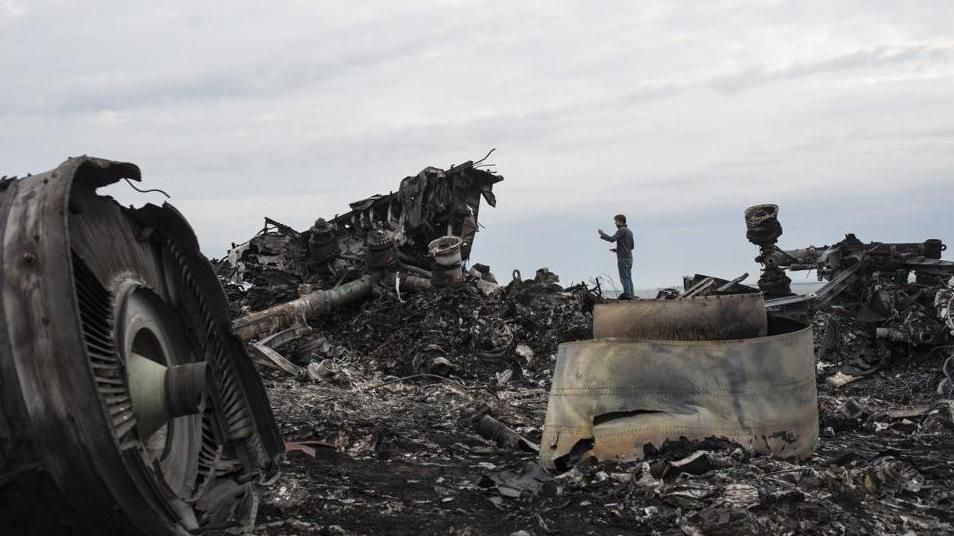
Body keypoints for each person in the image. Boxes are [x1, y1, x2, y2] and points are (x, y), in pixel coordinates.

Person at [599, 214, 635, 299]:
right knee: (628, 277)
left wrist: (602, 234)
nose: (615, 223)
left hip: (622, 258)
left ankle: (628, 295)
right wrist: (617, 249)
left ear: (621, 222)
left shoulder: (621, 230)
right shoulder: (629, 231)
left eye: (616, 221)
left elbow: (612, 239)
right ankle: (631, 295)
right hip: (629, 258)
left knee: (624, 278)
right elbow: (632, 246)